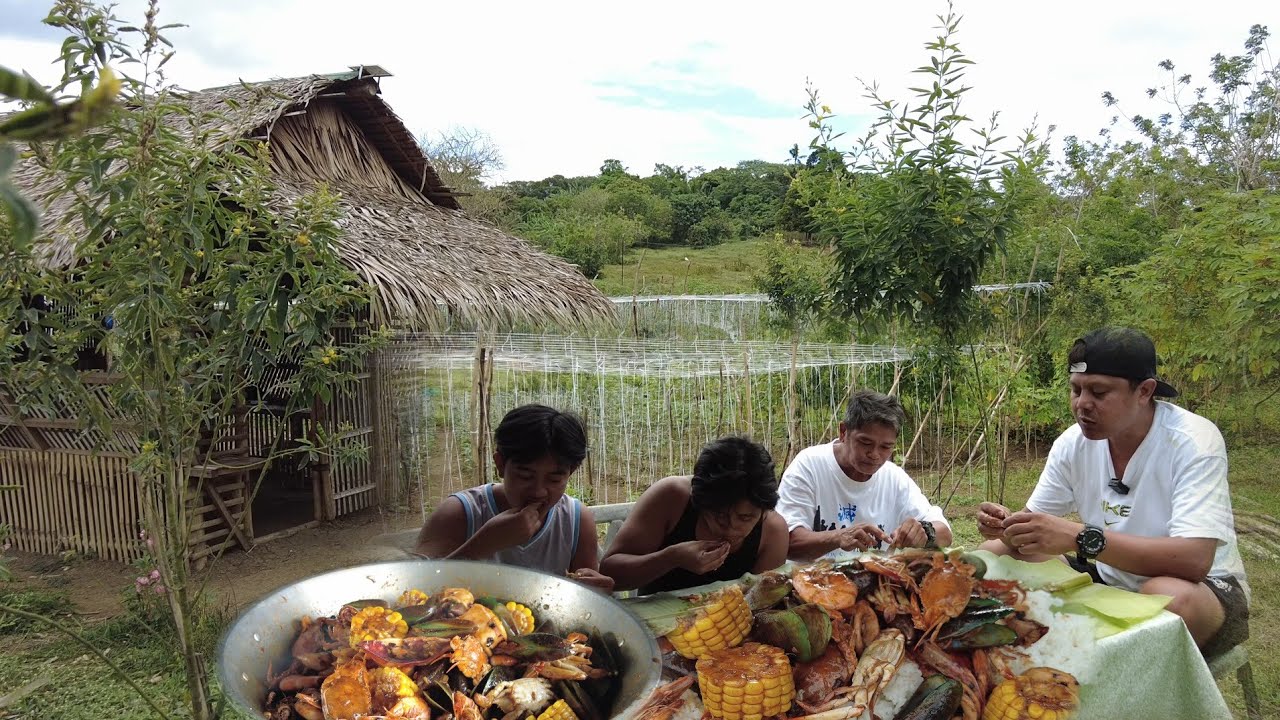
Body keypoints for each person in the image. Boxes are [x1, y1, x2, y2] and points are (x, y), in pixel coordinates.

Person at [977, 327, 1249, 657]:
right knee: (995, 552)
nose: (1082, 405)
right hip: (1109, 576)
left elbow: (1195, 561)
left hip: (1204, 588)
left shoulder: (1192, 442)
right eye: (1076, 390)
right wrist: (1009, 528)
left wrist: (1079, 537)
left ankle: (1132, 686)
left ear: (1145, 391)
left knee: (1167, 594)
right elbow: (1035, 529)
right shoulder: (1072, 444)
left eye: (1099, 392)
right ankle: (986, 643)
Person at [415, 404, 614, 593]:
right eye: (525, 476)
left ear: (571, 472)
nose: (538, 491)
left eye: (554, 478)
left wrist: (596, 589)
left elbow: (586, 595)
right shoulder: (460, 513)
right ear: (500, 464)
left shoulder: (576, 521)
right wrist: (485, 543)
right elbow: (413, 588)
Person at [600, 436, 790, 594]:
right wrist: (670, 558)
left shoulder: (772, 532)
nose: (731, 527)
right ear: (699, 501)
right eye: (719, 515)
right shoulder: (671, 498)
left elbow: (762, 602)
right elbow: (610, 574)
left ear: (764, 511)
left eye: (745, 518)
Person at [777, 389, 952, 560]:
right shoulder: (809, 467)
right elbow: (787, 542)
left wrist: (923, 532)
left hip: (878, 583)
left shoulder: (894, 478)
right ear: (843, 432)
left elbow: (944, 532)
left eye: (885, 447)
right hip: (814, 583)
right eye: (865, 442)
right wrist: (837, 537)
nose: (875, 454)